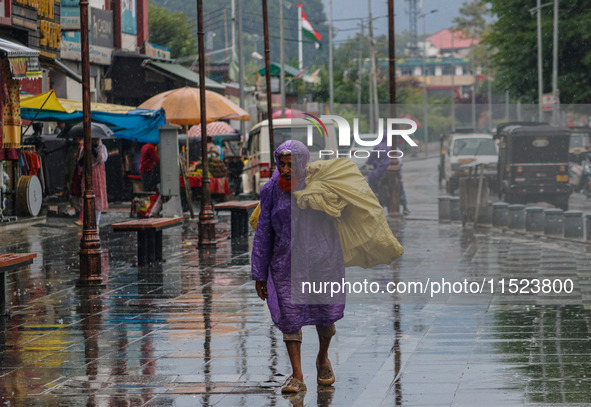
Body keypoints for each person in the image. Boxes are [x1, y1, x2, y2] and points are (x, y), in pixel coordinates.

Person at [252, 140, 345, 394]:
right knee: (290, 316)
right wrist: (259, 273)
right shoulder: (271, 190)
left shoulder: (321, 186)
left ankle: (323, 358)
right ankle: (297, 375)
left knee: (324, 313)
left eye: (290, 164)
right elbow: (263, 232)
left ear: (303, 164)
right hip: (285, 263)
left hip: (322, 260)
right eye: (281, 164)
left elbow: (341, 212)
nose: (285, 169)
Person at [75, 137, 108, 226]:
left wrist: (93, 151)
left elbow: (101, 158)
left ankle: (96, 221)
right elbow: (80, 163)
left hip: (98, 177)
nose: (95, 141)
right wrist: (86, 152)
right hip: (88, 175)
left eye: (97, 140)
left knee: (98, 197)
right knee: (86, 196)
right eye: (93, 139)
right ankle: (87, 220)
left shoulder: (102, 148)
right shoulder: (85, 149)